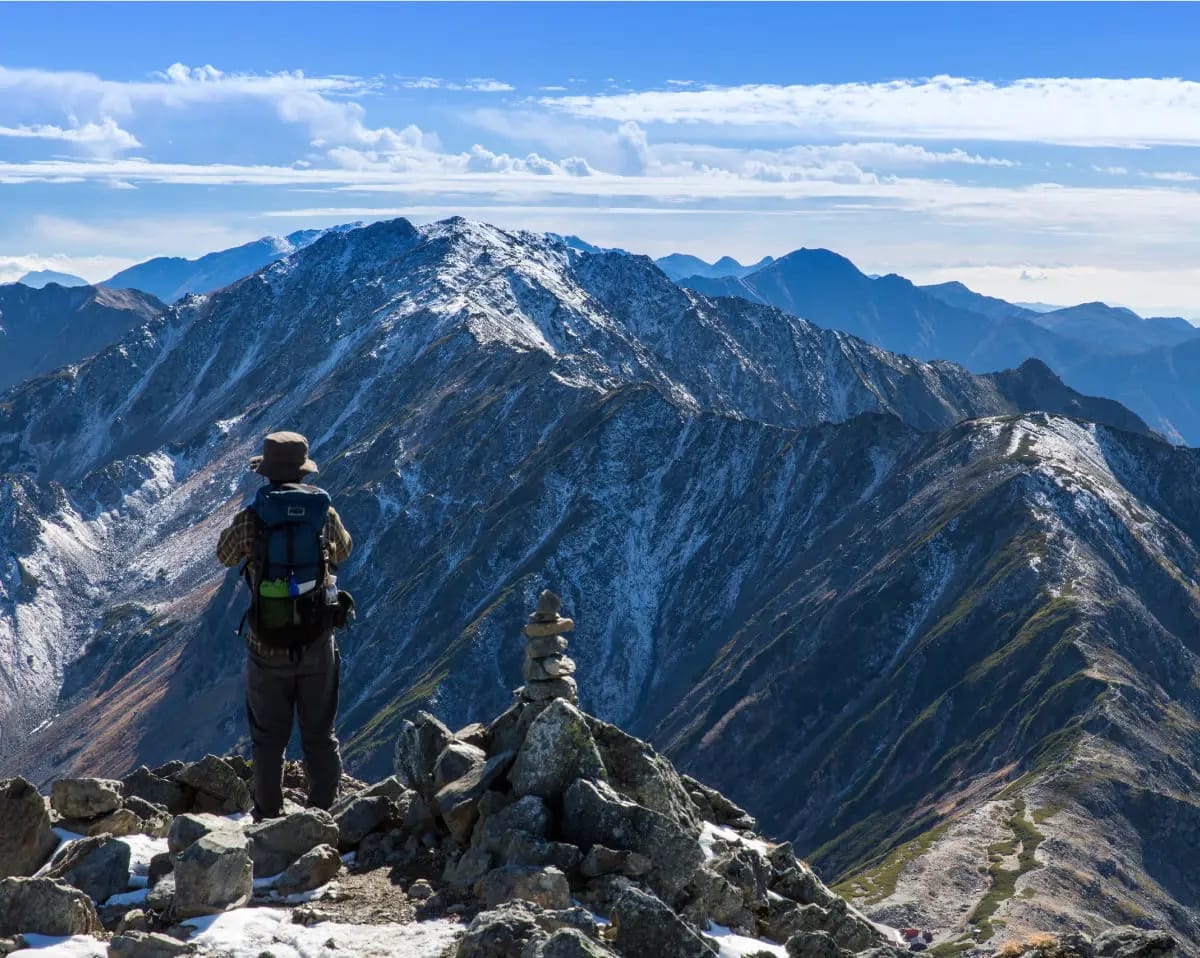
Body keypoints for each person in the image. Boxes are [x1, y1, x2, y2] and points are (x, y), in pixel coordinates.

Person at [217, 431, 353, 819]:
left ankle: (268, 814)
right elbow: (344, 550)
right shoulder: (324, 513)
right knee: (320, 733)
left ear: (266, 473)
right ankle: (323, 814)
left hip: (266, 642)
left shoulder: (252, 517)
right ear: (303, 472)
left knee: (267, 737)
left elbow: (225, 555)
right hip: (317, 639)